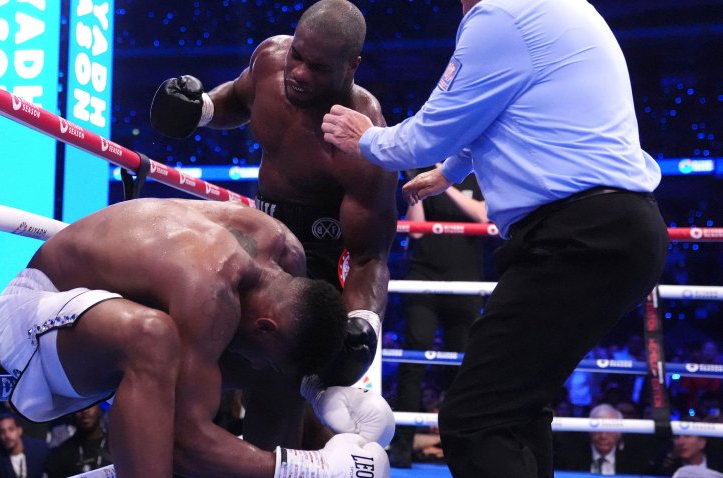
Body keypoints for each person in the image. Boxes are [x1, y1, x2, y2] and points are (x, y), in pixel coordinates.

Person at [320, 0, 670, 475]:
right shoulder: (558, 9)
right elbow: (505, 108)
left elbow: (424, 135)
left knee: (474, 417)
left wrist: (365, 136)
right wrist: (450, 172)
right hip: (610, 229)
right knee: (519, 409)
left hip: (579, 237)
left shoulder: (498, 18)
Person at [0, 198, 391, 478]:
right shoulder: (209, 288)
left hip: (103, 323)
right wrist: (310, 468)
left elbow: (277, 360)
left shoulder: (286, 253)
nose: (254, 363)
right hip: (33, 313)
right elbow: (181, 441)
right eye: (264, 351)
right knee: (152, 336)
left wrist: (322, 398)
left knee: (279, 373)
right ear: (265, 326)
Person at [149, 0, 400, 388]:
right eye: (297, 55)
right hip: (262, 228)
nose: (298, 72)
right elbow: (236, 98)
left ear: (351, 66)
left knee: (281, 387)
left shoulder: (363, 138)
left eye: (317, 68)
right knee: (199, 338)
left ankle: (287, 447)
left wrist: (362, 323)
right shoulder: (269, 60)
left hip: (321, 250)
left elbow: (370, 256)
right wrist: (201, 110)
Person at [389, 168, 487, 468]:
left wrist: (443, 183)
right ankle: (402, 445)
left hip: (466, 281)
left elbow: (483, 216)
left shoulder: (477, 174)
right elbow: (416, 229)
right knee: (413, 360)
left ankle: (463, 448)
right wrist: (416, 185)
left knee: (462, 366)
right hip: (424, 277)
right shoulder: (422, 176)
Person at [553, 404, 648, 475]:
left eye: (609, 430)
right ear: (589, 431)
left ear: (619, 433)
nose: (603, 436)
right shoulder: (570, 456)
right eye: (598, 430)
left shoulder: (635, 460)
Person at [0, 413, 49, 478]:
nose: (7, 435)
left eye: (11, 429)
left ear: (19, 430)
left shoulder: (39, 449)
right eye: (2, 431)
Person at [44, 405, 112, 478]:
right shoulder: (61, 454)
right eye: (80, 406)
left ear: (99, 408)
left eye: (91, 405)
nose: (85, 411)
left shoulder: (116, 445)